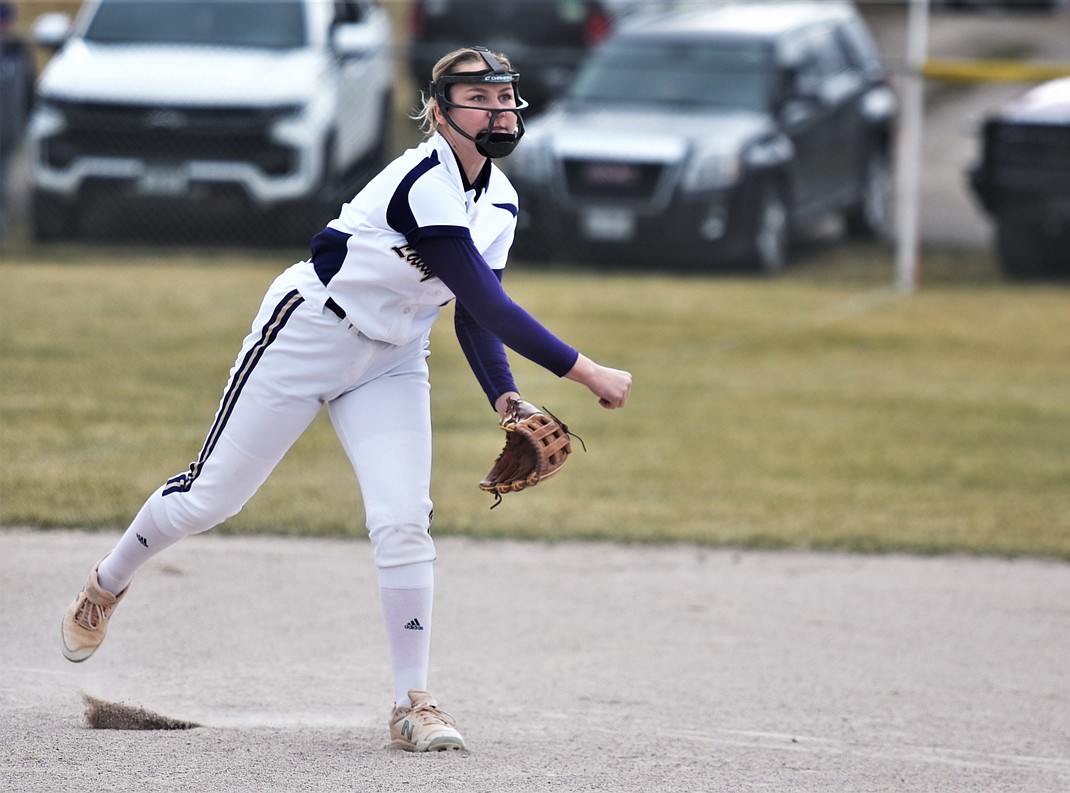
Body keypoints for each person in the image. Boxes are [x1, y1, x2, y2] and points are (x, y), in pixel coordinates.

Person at [59, 46, 633, 753]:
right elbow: (489, 298)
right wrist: (588, 372)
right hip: (306, 332)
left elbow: (471, 314)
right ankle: (106, 583)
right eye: (480, 97)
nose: (499, 109)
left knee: (402, 519)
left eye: (506, 96)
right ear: (440, 109)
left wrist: (507, 398)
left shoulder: (502, 201)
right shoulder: (424, 181)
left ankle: (411, 702)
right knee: (212, 497)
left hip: (392, 359)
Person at [0, 1, 35, 250]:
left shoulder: (19, 52)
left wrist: (23, 124)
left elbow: (29, 93)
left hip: (8, 130)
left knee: (4, 184)